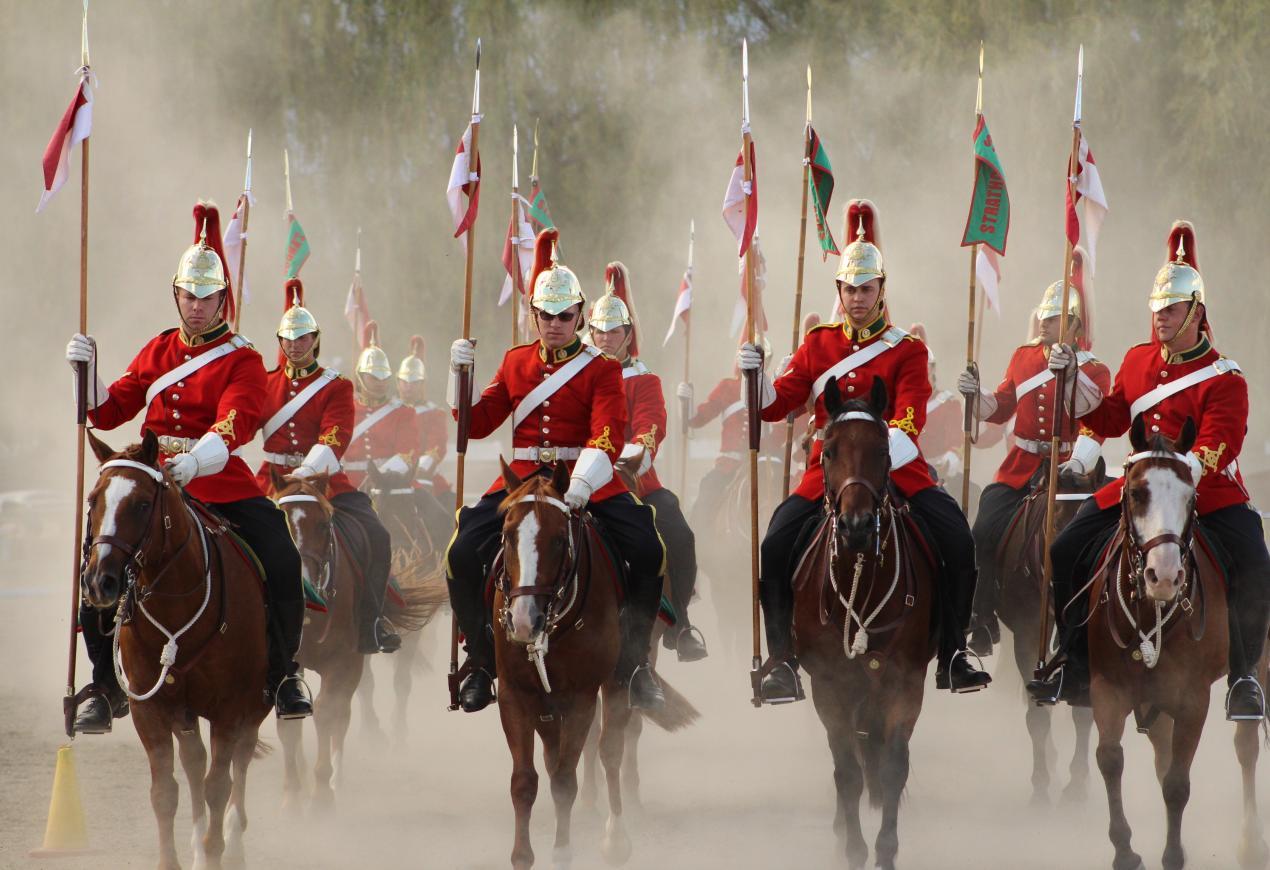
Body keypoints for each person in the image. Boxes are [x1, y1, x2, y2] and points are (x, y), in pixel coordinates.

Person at [64, 202, 312, 733]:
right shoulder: (158, 349)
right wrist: (86, 371)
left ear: (223, 298)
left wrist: (195, 462)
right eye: (188, 295)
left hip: (218, 482)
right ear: (175, 293)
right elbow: (108, 411)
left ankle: (286, 671)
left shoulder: (243, 358)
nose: (196, 306)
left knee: (280, 553)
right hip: (150, 481)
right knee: (99, 559)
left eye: (207, 297)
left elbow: (237, 422)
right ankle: (105, 684)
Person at [741, 199, 991, 703]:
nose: (857, 298)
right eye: (850, 289)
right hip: (828, 475)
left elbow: (908, 419)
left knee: (959, 542)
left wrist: (872, 463)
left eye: (866, 289)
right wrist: (755, 374)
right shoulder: (817, 345)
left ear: (881, 290)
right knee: (773, 547)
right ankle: (783, 662)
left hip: (896, 468)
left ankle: (952, 653)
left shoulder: (907, 350)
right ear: (839, 291)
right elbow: (777, 405)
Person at [1029, 221, 1270, 721]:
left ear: (1196, 313)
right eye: (1157, 309)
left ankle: (1244, 676)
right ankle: (1073, 661)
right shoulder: (1138, 361)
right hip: (1137, 485)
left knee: (1255, 565)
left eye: (1172, 310)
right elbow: (1111, 417)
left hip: (1209, 492)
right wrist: (1071, 378)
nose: (1160, 318)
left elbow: (1219, 444)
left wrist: (1178, 478)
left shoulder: (1226, 377)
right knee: (1065, 547)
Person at [445, 229, 667, 712]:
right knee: (461, 552)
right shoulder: (514, 362)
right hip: (522, 482)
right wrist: (458, 379)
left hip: (584, 482)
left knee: (649, 548)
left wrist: (582, 485)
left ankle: (635, 664)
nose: (555, 324)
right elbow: (477, 425)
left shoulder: (602, 368)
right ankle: (481, 660)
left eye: (565, 316)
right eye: (546, 315)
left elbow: (606, 433)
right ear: (534, 315)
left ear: (580, 316)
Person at [957, 267, 1110, 656]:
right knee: (983, 529)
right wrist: (977, 398)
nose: (1044, 320)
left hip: (1073, 470)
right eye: (1043, 314)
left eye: (1054, 316)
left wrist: (1070, 374)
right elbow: (1003, 405)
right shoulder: (1023, 357)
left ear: (1073, 324)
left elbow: (1094, 417)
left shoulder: (1094, 369)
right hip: (1022, 466)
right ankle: (982, 615)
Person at [256, 278, 400, 654]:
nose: (294, 345)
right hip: (270, 480)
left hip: (324, 480)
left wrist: (306, 473)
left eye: (302, 338)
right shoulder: (264, 383)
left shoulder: (336, 387)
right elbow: (239, 425)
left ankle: (371, 621)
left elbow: (335, 436)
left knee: (377, 536)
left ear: (315, 340)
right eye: (288, 339)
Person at [588, 261, 707, 662]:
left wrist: (632, 455)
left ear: (628, 336)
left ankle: (683, 623)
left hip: (634, 481)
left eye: (614, 332)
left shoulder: (643, 379)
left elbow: (650, 427)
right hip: (579, 481)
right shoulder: (576, 375)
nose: (605, 339)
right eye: (599, 331)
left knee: (680, 536)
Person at [341, 322, 419, 493]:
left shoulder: (403, 412)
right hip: (348, 487)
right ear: (360, 377)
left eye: (384, 377)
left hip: (391, 485)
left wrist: (379, 477)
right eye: (374, 378)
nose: (381, 383)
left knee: (433, 511)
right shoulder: (343, 410)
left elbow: (407, 453)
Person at [396, 335, 453, 498]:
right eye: (405, 382)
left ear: (422, 384)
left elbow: (436, 448)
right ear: (398, 382)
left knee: (447, 511)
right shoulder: (391, 410)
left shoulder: (434, 413)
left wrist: (418, 469)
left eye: (414, 382)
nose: (408, 387)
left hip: (424, 476)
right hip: (391, 474)